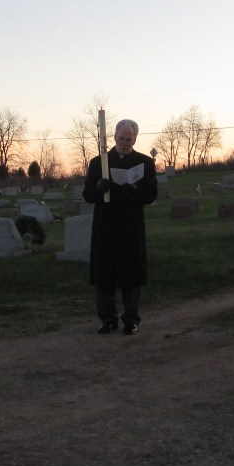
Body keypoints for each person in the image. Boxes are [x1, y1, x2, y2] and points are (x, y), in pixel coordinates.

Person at [82, 119, 158, 335]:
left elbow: (151, 194)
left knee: (131, 273)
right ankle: (107, 319)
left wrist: (135, 192)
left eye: (129, 139)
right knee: (104, 273)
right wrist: (99, 189)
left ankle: (131, 319)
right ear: (114, 137)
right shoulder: (99, 163)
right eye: (121, 138)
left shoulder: (145, 163)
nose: (124, 143)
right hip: (105, 226)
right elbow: (87, 195)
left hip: (131, 227)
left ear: (135, 139)